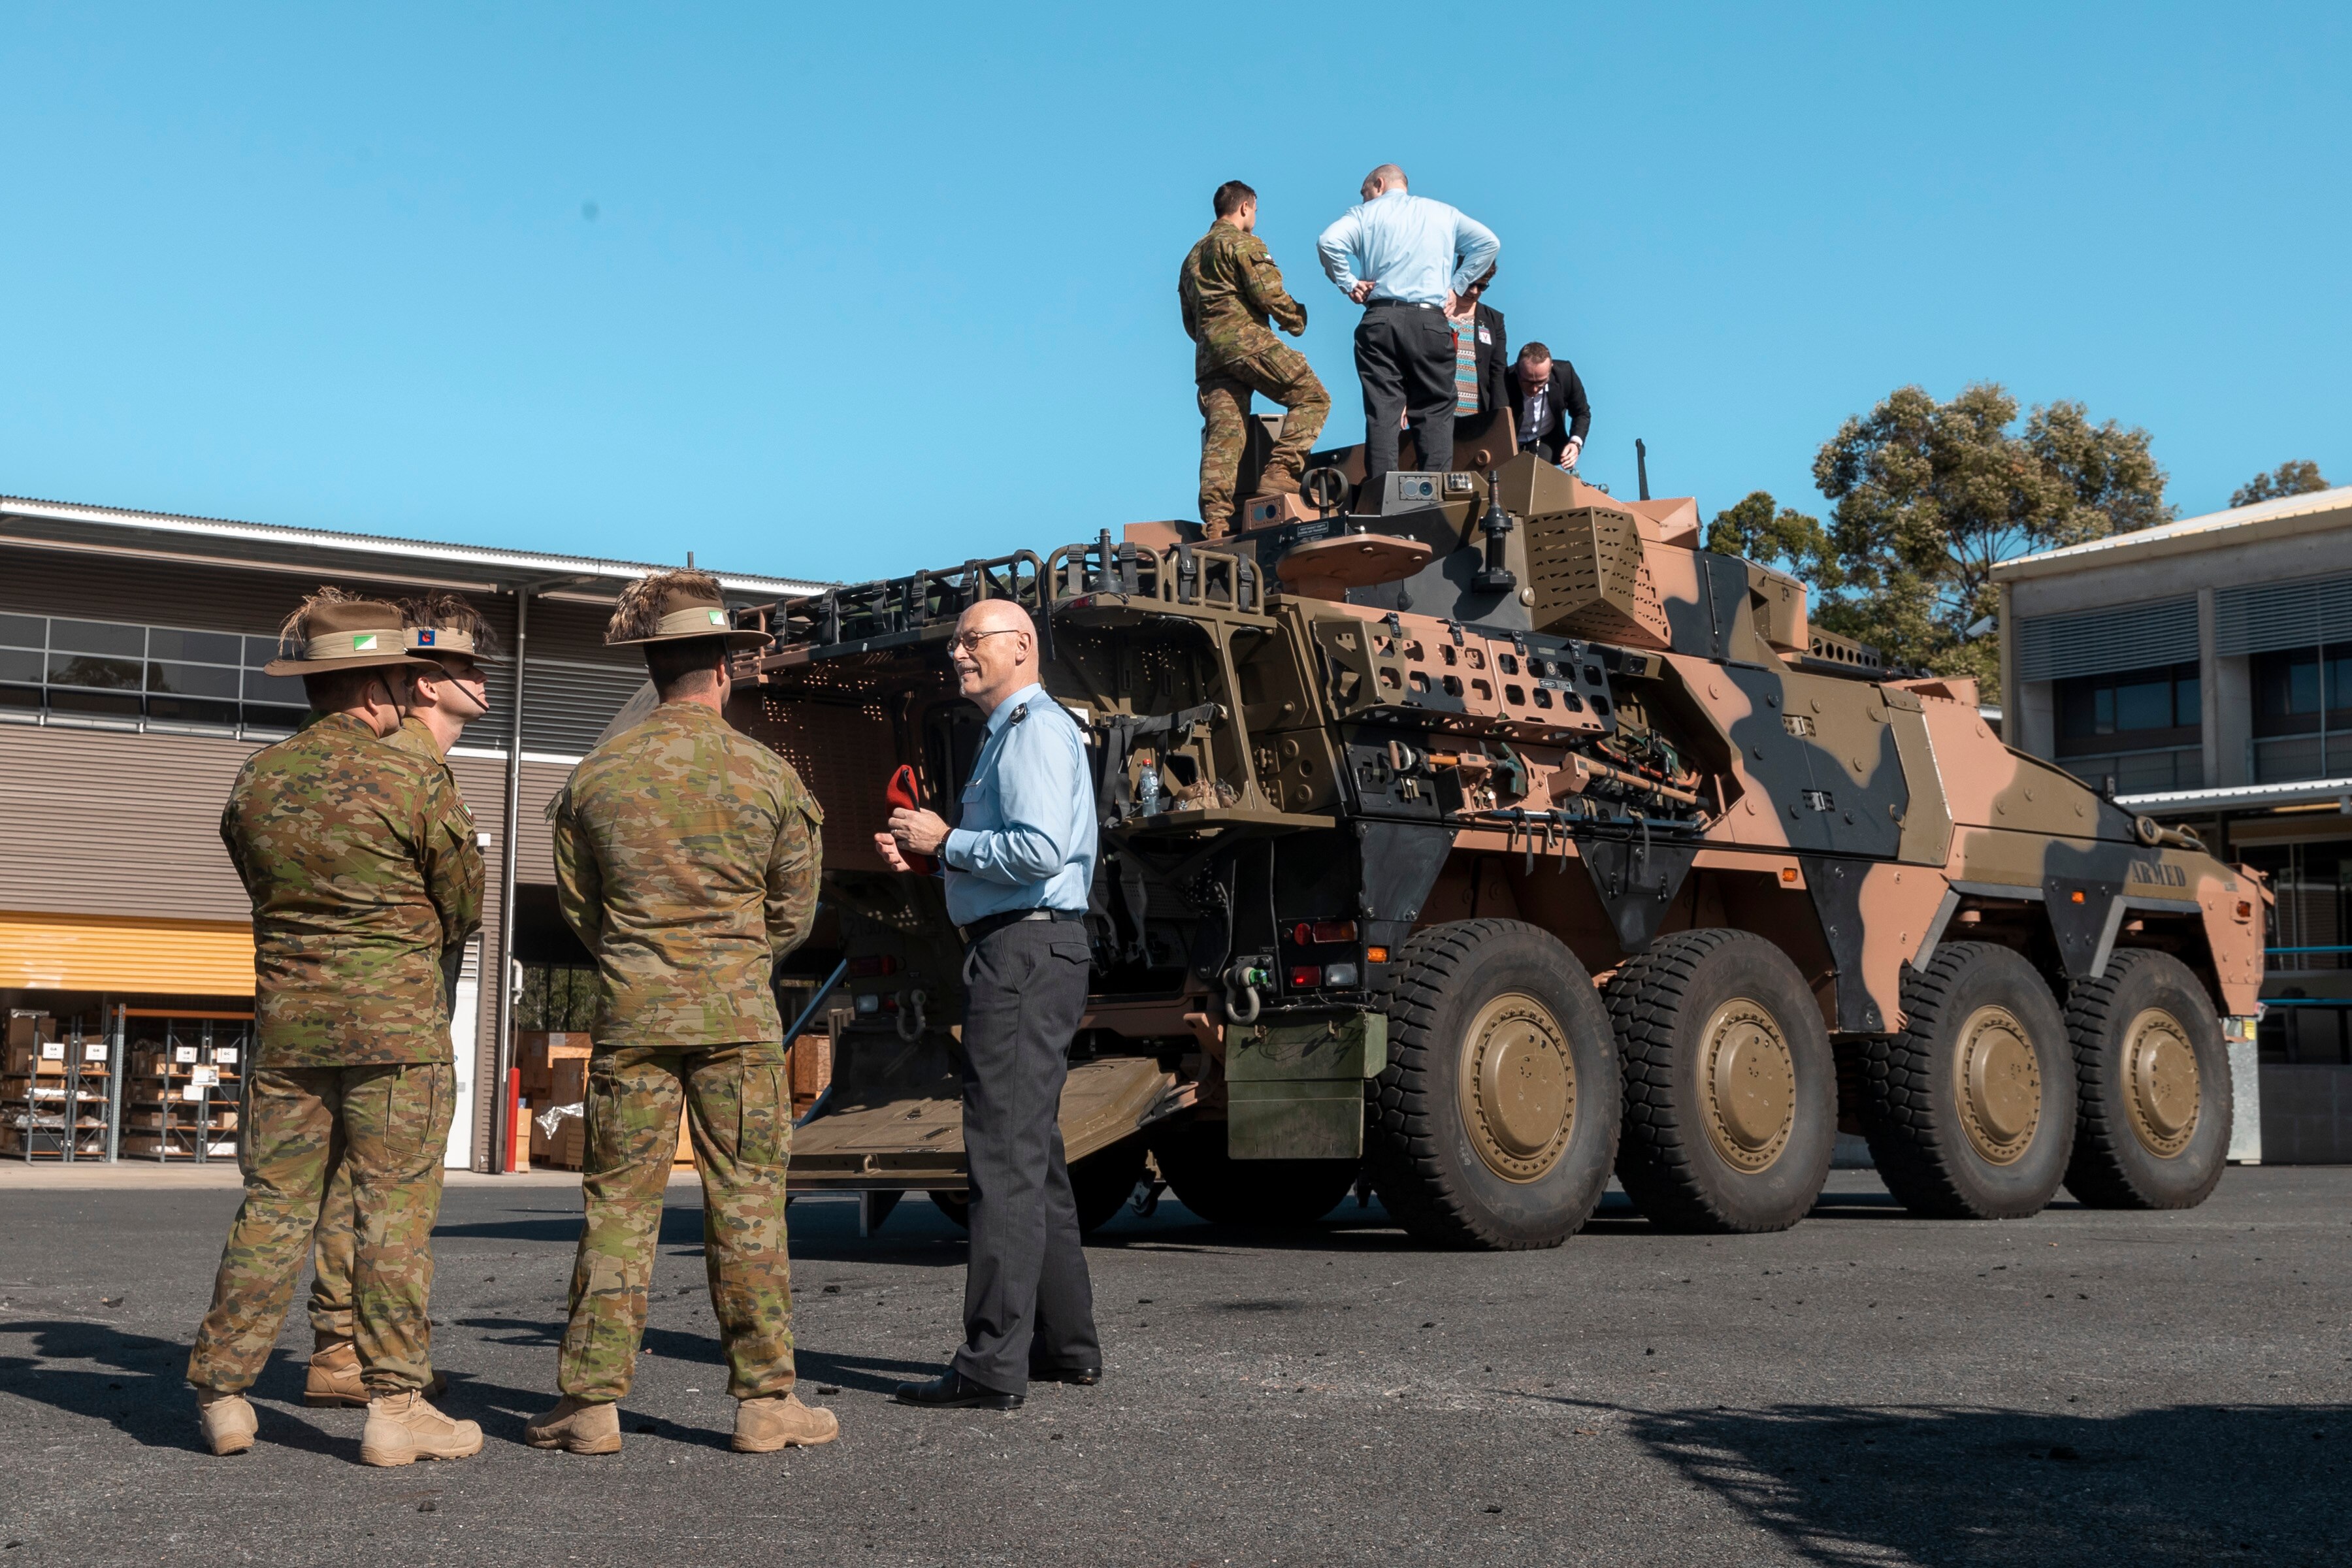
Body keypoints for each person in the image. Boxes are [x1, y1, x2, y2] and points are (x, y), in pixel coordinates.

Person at [527, 570, 835, 1458]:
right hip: (737, 1017)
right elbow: (794, 915)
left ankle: (590, 1403)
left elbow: (582, 910)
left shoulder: (595, 779)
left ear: (655, 672)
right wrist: (732, 963)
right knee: (747, 1205)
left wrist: (642, 961)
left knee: (619, 1208)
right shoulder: (771, 779)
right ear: (726, 672)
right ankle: (767, 1401)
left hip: (634, 1015)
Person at [187, 591, 484, 1466]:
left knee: (275, 1206)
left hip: (289, 1029)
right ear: (377, 684)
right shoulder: (413, 774)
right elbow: (461, 901)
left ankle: (224, 1391)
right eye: (402, 675)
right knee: (392, 1214)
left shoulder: (259, 777)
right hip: (396, 1032)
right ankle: (396, 1406)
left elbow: (254, 877)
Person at [877, 598, 1100, 1411]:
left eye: (973, 641)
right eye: (957, 641)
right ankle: (1066, 1347)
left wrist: (948, 843)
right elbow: (1023, 857)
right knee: (1032, 1157)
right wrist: (935, 862)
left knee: (1002, 1163)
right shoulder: (1017, 731)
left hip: (1023, 955)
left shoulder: (1033, 730)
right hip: (1032, 947)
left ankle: (990, 1365)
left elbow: (1040, 850)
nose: (957, 654)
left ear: (1023, 648)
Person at [298, 592, 495, 1413]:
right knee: (385, 1194)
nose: (482, 681)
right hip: (394, 1012)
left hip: (371, 1004)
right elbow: (458, 906)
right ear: (422, 686)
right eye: (464, 668)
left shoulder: (425, 765)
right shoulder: (409, 766)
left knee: (355, 1185)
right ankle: (366, 1364)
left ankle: (343, 1348)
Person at [1316, 164, 1499, 498]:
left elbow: (1328, 242)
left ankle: (1382, 498)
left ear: (1379, 184)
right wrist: (1456, 287)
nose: (1364, 197)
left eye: (1365, 191)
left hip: (1380, 319)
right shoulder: (1443, 213)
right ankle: (1435, 499)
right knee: (1435, 409)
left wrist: (1349, 284)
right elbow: (1489, 243)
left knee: (1383, 410)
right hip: (1430, 322)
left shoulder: (1364, 214)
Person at [1179, 179, 1330, 536]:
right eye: (1255, 211)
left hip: (1211, 357)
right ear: (1245, 207)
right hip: (1248, 343)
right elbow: (1267, 294)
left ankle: (1216, 523)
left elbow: (1190, 319)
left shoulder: (1191, 258)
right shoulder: (1242, 242)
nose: (1255, 217)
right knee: (1313, 397)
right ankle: (1280, 472)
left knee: (1224, 437)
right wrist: (1295, 319)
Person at [1507, 342, 1591, 470]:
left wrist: (1575, 444)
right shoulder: (1503, 381)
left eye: (1541, 382)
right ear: (1517, 369)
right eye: (1528, 382)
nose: (1535, 389)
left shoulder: (1565, 374)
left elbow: (1582, 412)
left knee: (1539, 475)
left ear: (1550, 368)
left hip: (1545, 440)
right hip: (1509, 443)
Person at [1445, 263, 1508, 429]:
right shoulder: (1435, 311)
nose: (1474, 291)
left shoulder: (1494, 321)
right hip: (1436, 415)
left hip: (1477, 420)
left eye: (1481, 287)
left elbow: (1498, 372)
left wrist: (1501, 420)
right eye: (1470, 283)